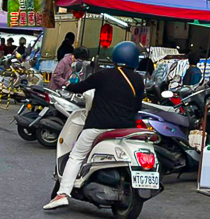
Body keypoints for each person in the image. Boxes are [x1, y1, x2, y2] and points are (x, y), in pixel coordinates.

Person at [43, 41, 145, 211]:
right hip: (125, 128)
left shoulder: (103, 75)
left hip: (98, 125)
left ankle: (63, 194)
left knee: (76, 156)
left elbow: (79, 88)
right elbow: (137, 106)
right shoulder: (138, 80)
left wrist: (67, 84)